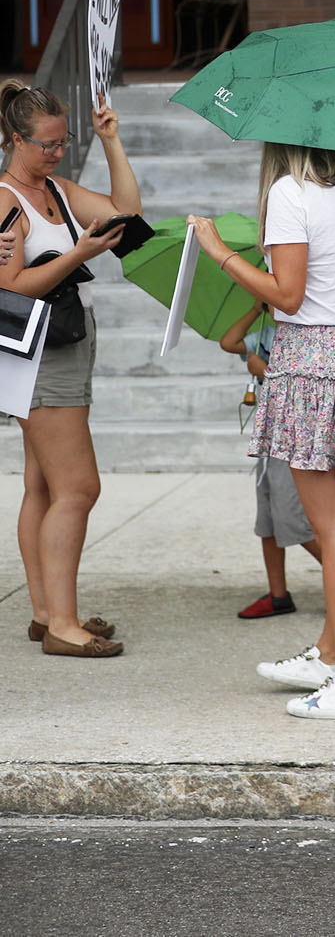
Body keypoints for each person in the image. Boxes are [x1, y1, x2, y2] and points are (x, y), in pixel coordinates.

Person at [191, 143, 335, 721]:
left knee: (332, 534)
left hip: (313, 361)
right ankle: (331, 656)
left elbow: (288, 294)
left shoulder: (290, 193)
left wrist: (219, 254)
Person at [0, 83, 141, 659]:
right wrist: (78, 256)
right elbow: (9, 288)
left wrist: (112, 141)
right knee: (80, 488)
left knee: (43, 485)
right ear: (16, 140)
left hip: (66, 347)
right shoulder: (7, 199)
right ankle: (62, 624)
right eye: (48, 145)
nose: (57, 153)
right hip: (40, 356)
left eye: (64, 142)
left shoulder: (53, 188)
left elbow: (126, 217)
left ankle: (45, 613)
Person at [220, 300, 323, 619]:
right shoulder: (266, 334)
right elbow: (229, 342)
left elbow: (306, 388)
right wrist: (255, 309)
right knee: (267, 519)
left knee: (293, 517)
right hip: (270, 435)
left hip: (297, 437)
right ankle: (278, 595)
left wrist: (262, 371)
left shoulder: (310, 336)